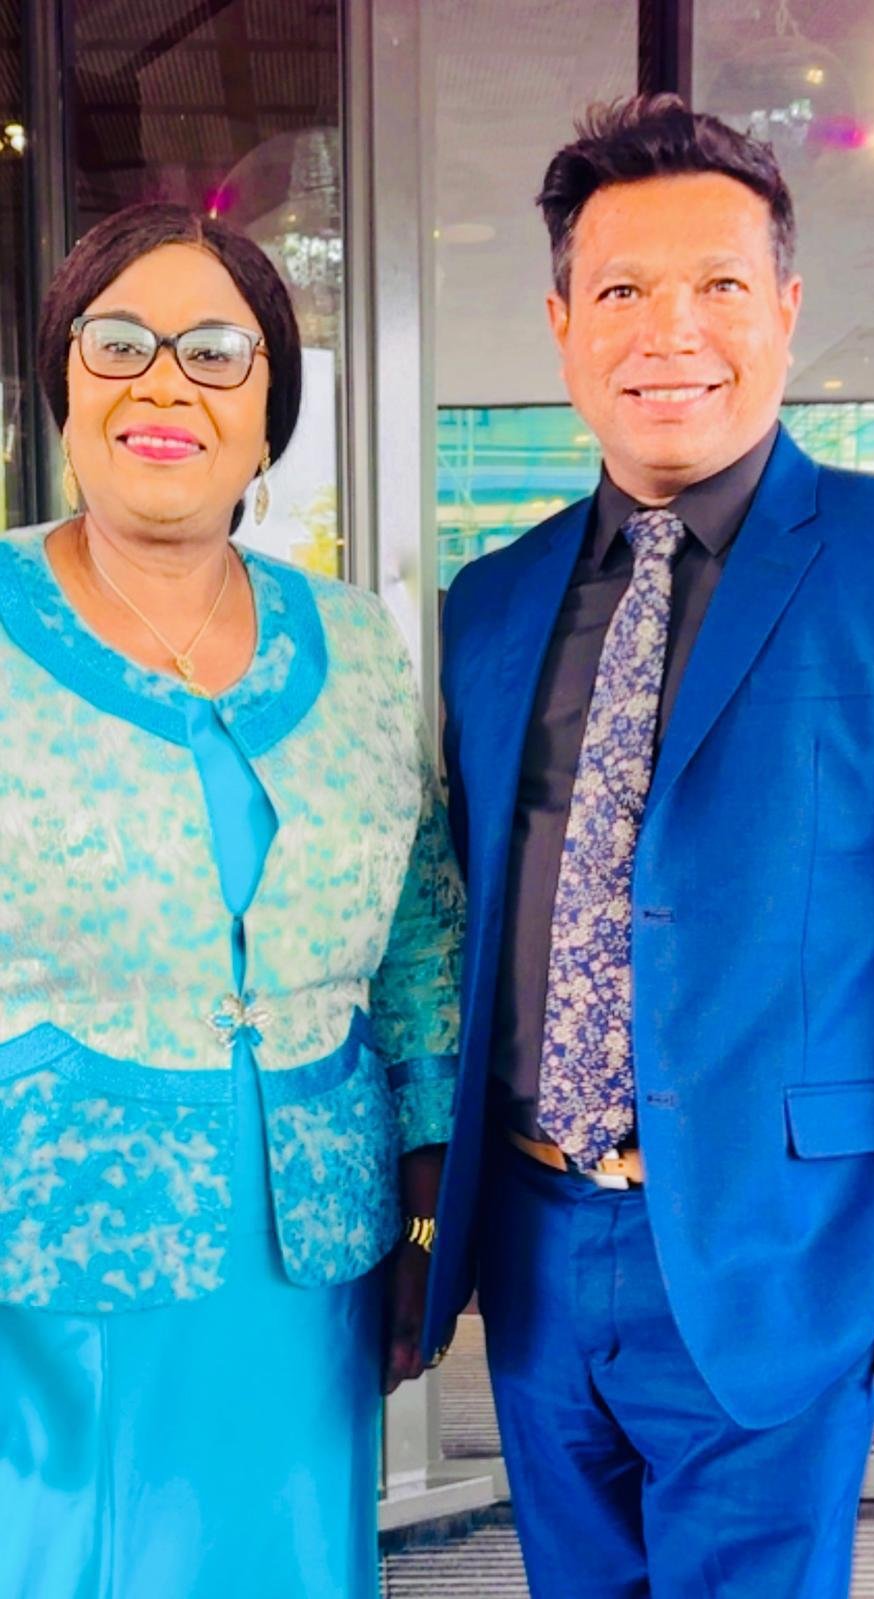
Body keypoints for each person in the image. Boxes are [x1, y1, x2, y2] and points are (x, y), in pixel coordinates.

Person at [424, 94, 874, 1599]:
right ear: (564, 325)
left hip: (786, 1243)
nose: (669, 331)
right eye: (623, 289)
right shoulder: (490, 605)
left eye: (720, 285)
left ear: (787, 310)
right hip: (536, 1248)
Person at [0, 200, 463, 1599]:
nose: (164, 384)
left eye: (215, 352)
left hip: (310, 1262)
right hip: (43, 1256)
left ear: (269, 421)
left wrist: (431, 1211)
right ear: (63, 385)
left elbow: (420, 942)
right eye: (118, 343)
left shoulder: (357, 644)